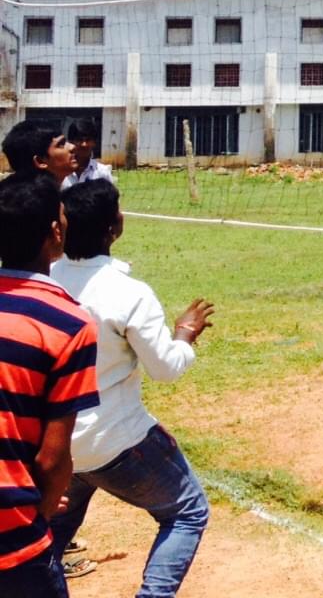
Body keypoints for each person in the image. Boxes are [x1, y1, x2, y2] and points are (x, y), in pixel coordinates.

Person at [48, 180, 212, 597]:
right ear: (115, 227)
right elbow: (166, 369)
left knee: (52, 529)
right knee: (187, 511)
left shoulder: (44, 279)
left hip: (56, 443)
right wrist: (184, 335)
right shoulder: (128, 293)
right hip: (115, 441)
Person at [0, 172, 99, 597]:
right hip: (15, 540)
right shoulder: (67, 323)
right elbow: (53, 458)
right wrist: (40, 507)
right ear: (56, 233)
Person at [1, 120, 77, 186]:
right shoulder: (22, 202)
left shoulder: (68, 192)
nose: (72, 147)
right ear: (40, 161)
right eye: (61, 144)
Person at [60, 122, 113, 190]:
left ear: (94, 143)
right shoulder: (61, 172)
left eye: (88, 140)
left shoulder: (102, 172)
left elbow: (111, 198)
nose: (84, 144)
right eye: (79, 140)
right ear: (70, 142)